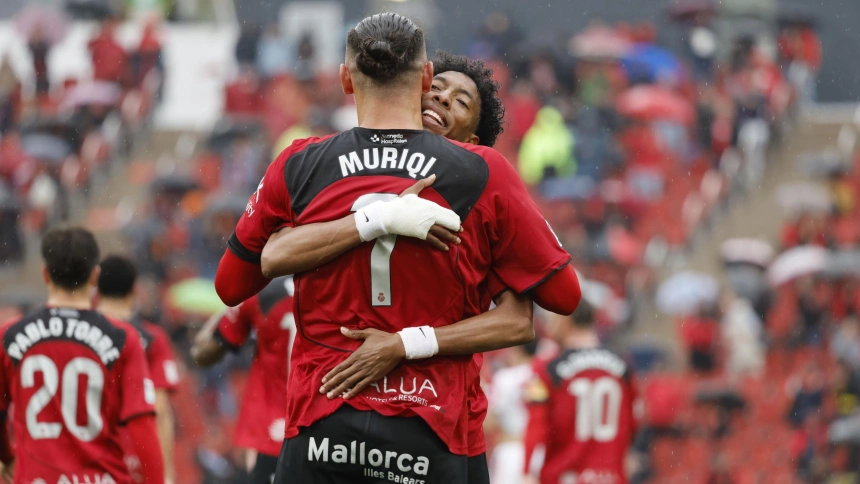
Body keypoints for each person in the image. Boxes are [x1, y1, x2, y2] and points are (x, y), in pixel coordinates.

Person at [215, 12, 576, 483]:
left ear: (346, 77)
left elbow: (236, 279)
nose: (443, 99)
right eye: (440, 89)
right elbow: (560, 298)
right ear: (422, 80)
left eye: (461, 101)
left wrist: (406, 339)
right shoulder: (481, 174)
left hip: (323, 422)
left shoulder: (302, 160)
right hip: (429, 423)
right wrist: (382, 219)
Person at [0, 227, 164, 483]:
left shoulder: (8, 336)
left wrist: (8, 457)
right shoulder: (122, 338)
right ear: (94, 277)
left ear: (45, 274)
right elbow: (143, 425)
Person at [191, 275, 296, 484]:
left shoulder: (260, 293)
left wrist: (229, 309)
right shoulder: (340, 289)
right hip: (326, 431)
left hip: (271, 432)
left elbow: (202, 353)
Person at [524, 302, 638, 484]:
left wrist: (527, 472)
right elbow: (634, 423)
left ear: (565, 320)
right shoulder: (624, 367)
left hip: (564, 476)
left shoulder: (545, 369)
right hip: (612, 476)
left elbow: (537, 426)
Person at [96, 255, 180, 484]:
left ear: (96, 287)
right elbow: (159, 409)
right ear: (134, 290)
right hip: (134, 453)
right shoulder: (152, 338)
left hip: (90, 453)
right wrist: (167, 472)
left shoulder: (82, 336)